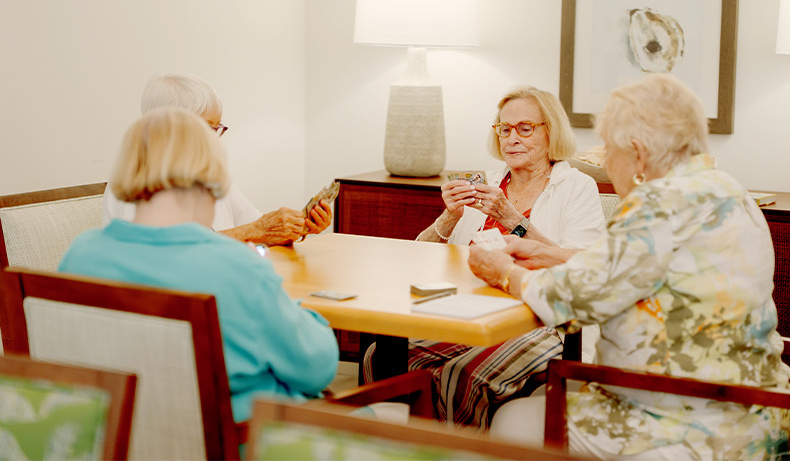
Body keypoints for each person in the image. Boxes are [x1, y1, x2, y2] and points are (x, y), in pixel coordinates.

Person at [470, 74, 790, 459]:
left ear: (637, 153)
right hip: (753, 404)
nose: (605, 160)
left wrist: (501, 270)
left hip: (684, 419)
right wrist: (548, 255)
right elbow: (642, 268)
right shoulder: (725, 190)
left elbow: (566, 302)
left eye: (608, 149)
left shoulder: (656, 204)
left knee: (513, 418)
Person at [60, 107, 339, 423]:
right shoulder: (236, 267)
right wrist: (299, 311)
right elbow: (317, 369)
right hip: (244, 442)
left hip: (121, 438)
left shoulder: (81, 254)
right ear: (213, 179)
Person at [366, 85, 606, 430]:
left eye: (525, 128)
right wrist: (449, 217)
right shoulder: (487, 182)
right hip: (468, 310)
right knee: (384, 358)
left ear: (550, 132)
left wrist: (513, 220)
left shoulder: (575, 187)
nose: (512, 138)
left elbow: (581, 265)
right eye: (504, 129)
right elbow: (420, 252)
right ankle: (403, 447)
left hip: (543, 323)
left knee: (460, 375)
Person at [102, 73, 332, 246]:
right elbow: (165, 252)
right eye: (208, 129)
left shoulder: (205, 173)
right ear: (171, 127)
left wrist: (297, 226)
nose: (215, 140)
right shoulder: (133, 184)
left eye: (218, 128)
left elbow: (257, 224)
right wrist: (258, 230)